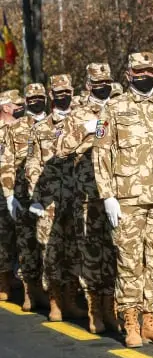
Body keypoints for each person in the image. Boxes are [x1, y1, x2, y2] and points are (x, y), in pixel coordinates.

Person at [94, 52, 153, 348]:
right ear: (128, 75)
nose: (144, 76)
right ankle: (131, 322)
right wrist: (107, 195)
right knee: (130, 262)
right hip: (128, 198)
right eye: (139, 72)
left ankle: (152, 321)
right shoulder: (113, 108)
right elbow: (101, 153)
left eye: (149, 71)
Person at [57, 63, 118, 333]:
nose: (102, 86)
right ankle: (95, 310)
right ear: (88, 84)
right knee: (93, 253)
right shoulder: (77, 113)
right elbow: (60, 148)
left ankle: (112, 307)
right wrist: (86, 129)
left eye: (106, 81)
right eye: (97, 82)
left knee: (117, 252)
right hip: (88, 192)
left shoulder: (121, 107)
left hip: (118, 191)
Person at [26, 75, 85, 322]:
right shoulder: (40, 129)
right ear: (52, 95)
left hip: (78, 199)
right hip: (49, 201)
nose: (62, 95)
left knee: (74, 251)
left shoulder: (84, 122)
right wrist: (35, 196)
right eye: (57, 92)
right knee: (50, 253)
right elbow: (32, 164)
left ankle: (71, 299)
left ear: (73, 92)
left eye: (66, 91)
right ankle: (55, 302)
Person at [2, 85, 45, 311]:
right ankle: (30, 291)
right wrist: (9, 194)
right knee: (27, 243)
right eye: (32, 98)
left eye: (40, 97)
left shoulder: (55, 126)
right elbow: (7, 163)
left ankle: (53, 293)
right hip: (23, 195)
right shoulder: (15, 129)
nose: (36, 101)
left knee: (48, 245)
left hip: (50, 196)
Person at [0, 90, 22, 301]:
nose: (20, 108)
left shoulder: (21, 127)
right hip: (1, 189)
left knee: (20, 235)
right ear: (6, 108)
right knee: (4, 236)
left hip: (20, 187)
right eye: (17, 105)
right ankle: (3, 280)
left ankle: (19, 277)